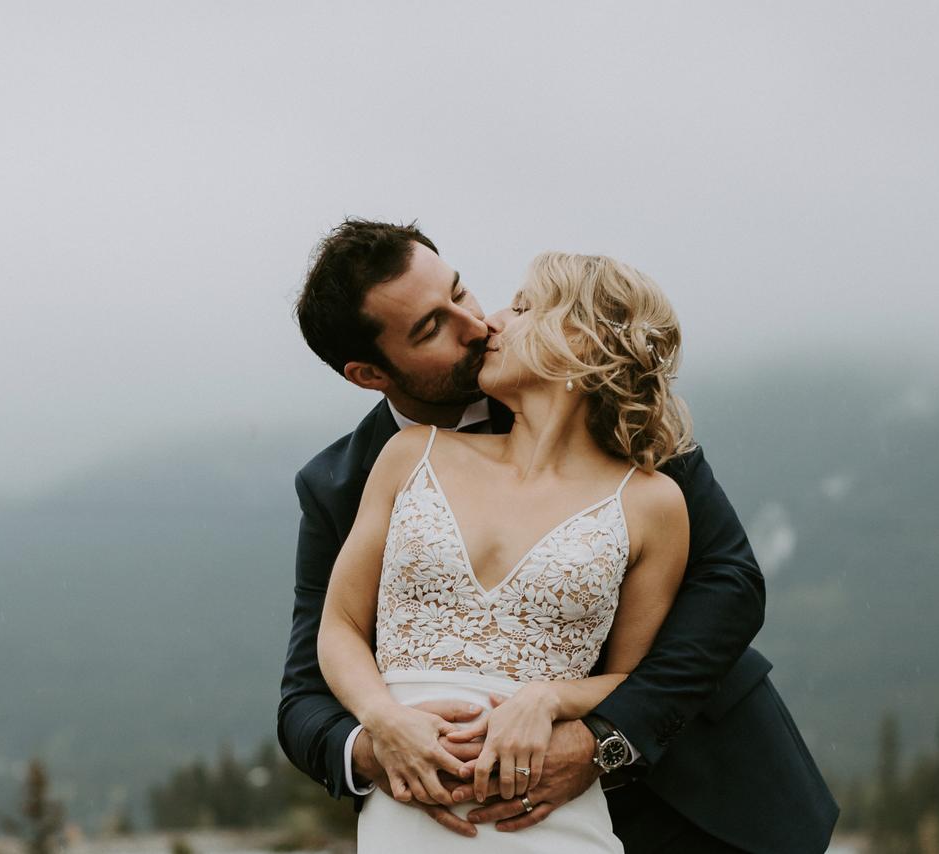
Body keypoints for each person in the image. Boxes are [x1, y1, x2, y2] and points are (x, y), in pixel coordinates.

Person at [279, 220, 839, 853]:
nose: (476, 323)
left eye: (460, 292)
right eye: (431, 327)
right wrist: (383, 746)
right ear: (370, 373)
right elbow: (306, 691)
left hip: (696, 798)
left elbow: (729, 584)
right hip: (440, 820)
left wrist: (601, 738)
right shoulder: (351, 480)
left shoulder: (617, 421)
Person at [318, 250, 692, 852]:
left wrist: (549, 698)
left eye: (521, 307)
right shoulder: (411, 455)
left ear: (582, 340)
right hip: (406, 821)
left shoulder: (655, 502)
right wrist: (382, 721)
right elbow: (338, 624)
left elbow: (632, 678)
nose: (489, 320)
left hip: (551, 824)